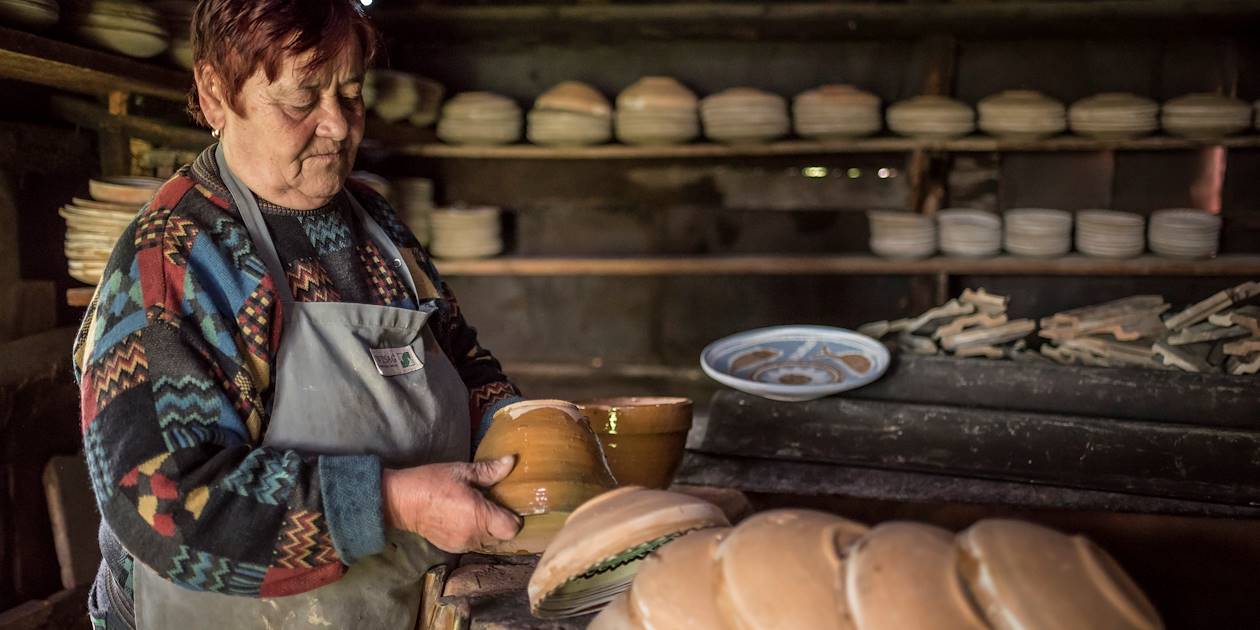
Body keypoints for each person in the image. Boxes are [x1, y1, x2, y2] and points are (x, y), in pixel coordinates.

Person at [71, 1, 525, 627]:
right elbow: (161, 504)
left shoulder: (377, 224)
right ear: (213, 93)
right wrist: (392, 504)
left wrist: (520, 427)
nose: (338, 126)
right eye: (301, 99)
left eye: (352, 93)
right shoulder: (174, 257)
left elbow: (466, 364)